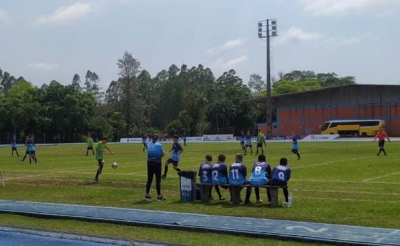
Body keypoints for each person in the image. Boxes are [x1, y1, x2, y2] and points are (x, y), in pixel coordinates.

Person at [146, 134, 166, 201]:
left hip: (149, 163)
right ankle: (159, 196)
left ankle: (147, 194)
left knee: (149, 179)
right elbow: (162, 154)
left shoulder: (148, 144)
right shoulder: (159, 145)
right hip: (157, 163)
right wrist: (164, 154)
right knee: (158, 180)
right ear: (157, 139)